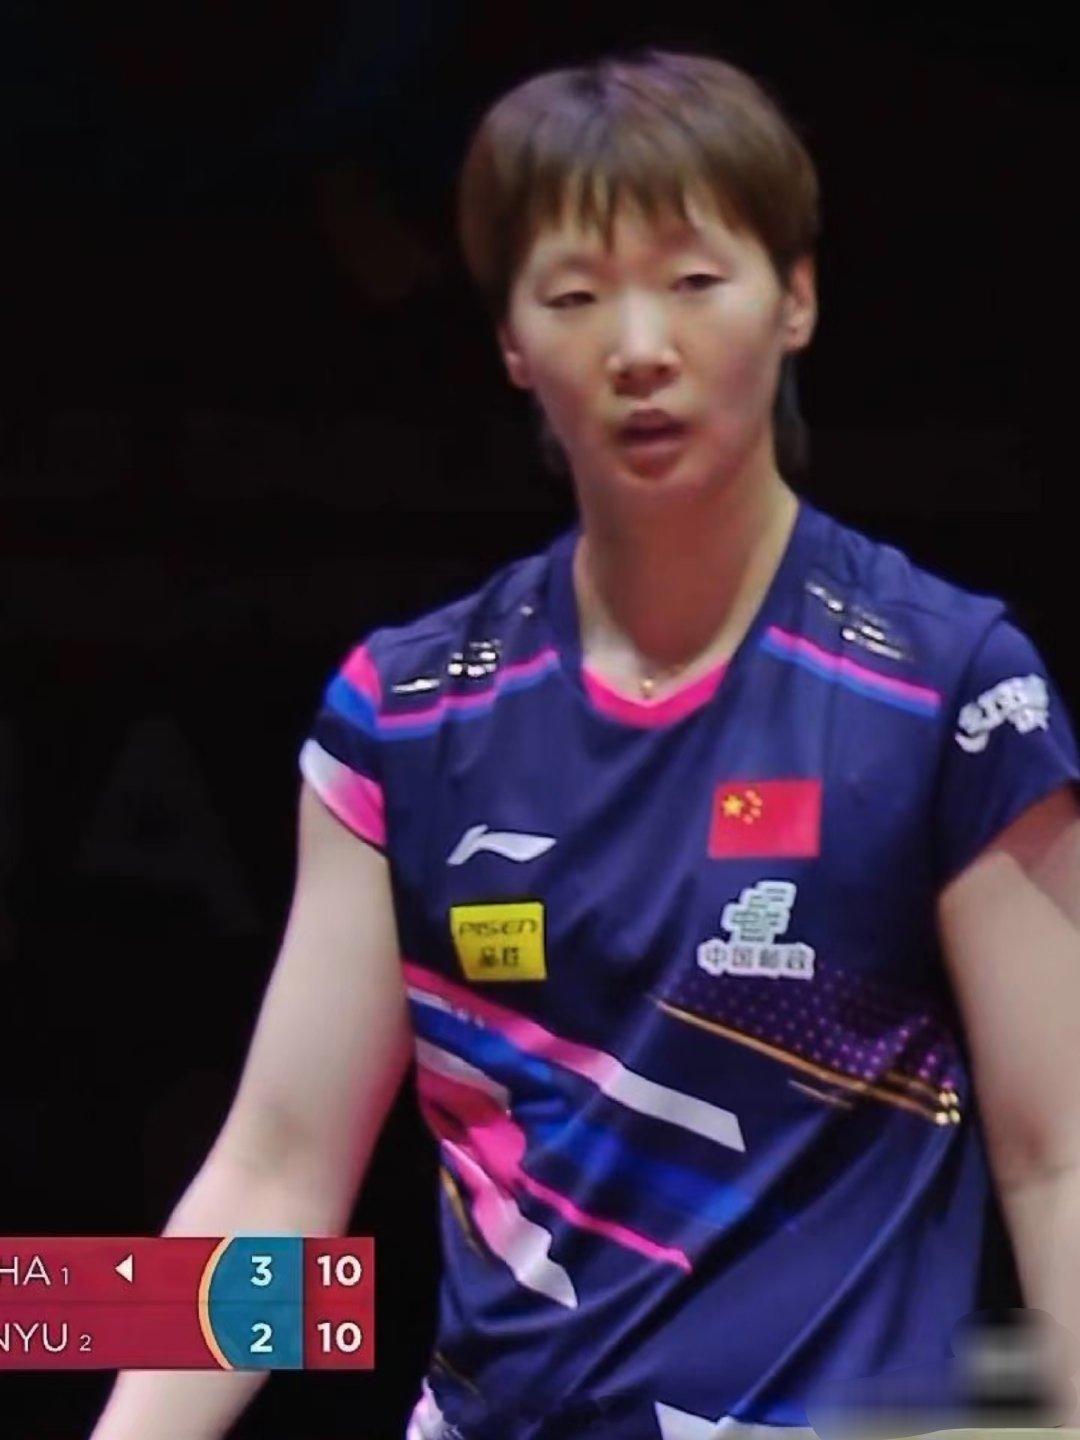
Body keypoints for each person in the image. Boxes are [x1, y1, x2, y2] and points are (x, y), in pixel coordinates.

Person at [89, 46, 1080, 1440]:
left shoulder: (948, 687)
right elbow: (278, 1176)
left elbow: (1057, 1162)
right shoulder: (404, 714)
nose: (639, 347)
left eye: (694, 281)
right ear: (511, 343)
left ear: (795, 299)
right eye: (574, 296)